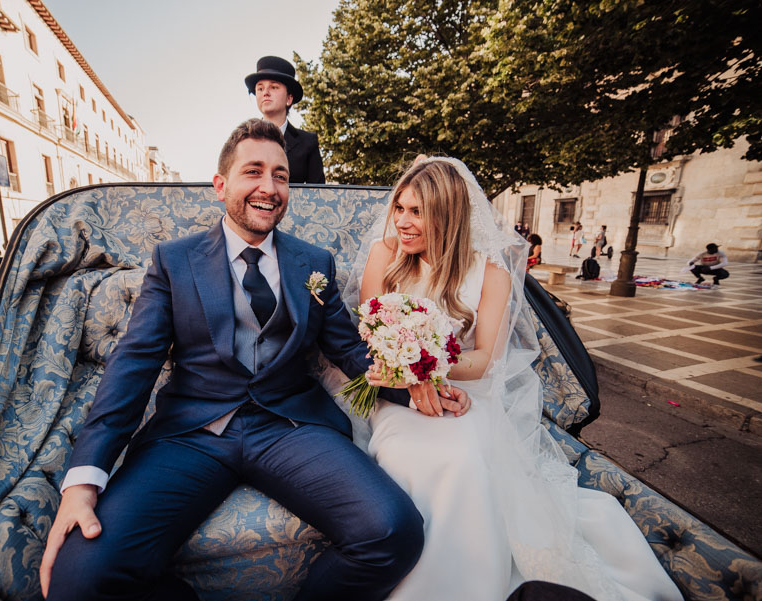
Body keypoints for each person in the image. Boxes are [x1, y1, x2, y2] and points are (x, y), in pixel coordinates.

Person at [39, 119, 451, 601]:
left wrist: (416, 383)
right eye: (253, 172)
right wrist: (84, 480)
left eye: (280, 175)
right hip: (192, 434)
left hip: (292, 428)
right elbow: (132, 365)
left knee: (394, 532)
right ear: (221, 186)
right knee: (78, 579)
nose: (268, 187)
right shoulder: (175, 260)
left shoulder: (313, 263)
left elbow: (351, 351)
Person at [328, 157, 683, 601]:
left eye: (416, 211)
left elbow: (483, 363)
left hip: (466, 395)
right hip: (397, 397)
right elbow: (369, 340)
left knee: (465, 458)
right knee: (419, 457)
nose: (401, 221)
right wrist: (409, 374)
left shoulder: (490, 270)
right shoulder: (386, 254)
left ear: (448, 214)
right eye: (399, 208)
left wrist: (427, 361)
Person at [245, 55, 325, 184]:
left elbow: (318, 194)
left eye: (274, 87)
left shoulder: (308, 143)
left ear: (289, 98)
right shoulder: (244, 140)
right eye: (260, 88)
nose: (265, 92)